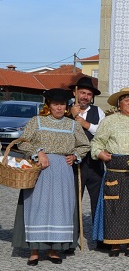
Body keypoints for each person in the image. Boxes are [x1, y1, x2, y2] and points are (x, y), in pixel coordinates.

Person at [12, 88, 90, 266]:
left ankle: (54, 249)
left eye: (62, 104)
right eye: (55, 104)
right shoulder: (37, 122)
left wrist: (75, 155)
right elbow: (23, 142)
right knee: (37, 206)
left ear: (66, 106)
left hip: (63, 171)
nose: (59, 108)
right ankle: (34, 251)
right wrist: (38, 152)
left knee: (59, 207)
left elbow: (85, 145)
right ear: (49, 105)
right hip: (40, 170)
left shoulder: (72, 125)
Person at [91, 87, 129, 257]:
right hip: (116, 170)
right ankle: (115, 244)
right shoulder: (109, 121)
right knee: (115, 207)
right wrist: (100, 153)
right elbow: (97, 143)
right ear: (119, 103)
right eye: (126, 100)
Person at [67, 75, 105, 245]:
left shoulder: (98, 112)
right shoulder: (65, 111)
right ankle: (69, 240)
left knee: (99, 202)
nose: (85, 96)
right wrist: (72, 116)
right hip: (73, 164)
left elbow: (102, 132)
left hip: (95, 163)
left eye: (88, 94)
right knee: (73, 202)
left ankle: (100, 238)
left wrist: (82, 122)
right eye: (82, 93)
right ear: (75, 93)